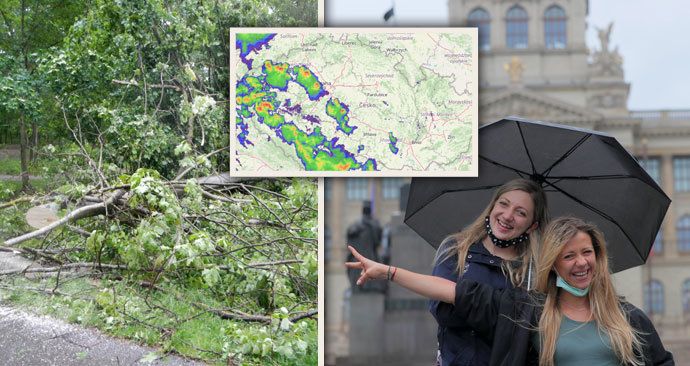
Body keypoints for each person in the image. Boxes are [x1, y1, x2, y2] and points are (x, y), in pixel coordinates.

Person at [346, 216, 674, 366]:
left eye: (587, 253)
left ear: (598, 258)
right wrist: (388, 271)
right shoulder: (528, 311)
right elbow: (455, 292)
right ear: (554, 265)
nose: (580, 263)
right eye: (568, 256)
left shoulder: (628, 318)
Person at [430, 178, 548, 366]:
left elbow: (528, 333)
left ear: (532, 226)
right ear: (492, 206)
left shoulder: (535, 271)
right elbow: (442, 310)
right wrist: (500, 311)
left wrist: (463, 297)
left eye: (521, 212)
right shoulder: (454, 249)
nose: (508, 215)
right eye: (504, 204)